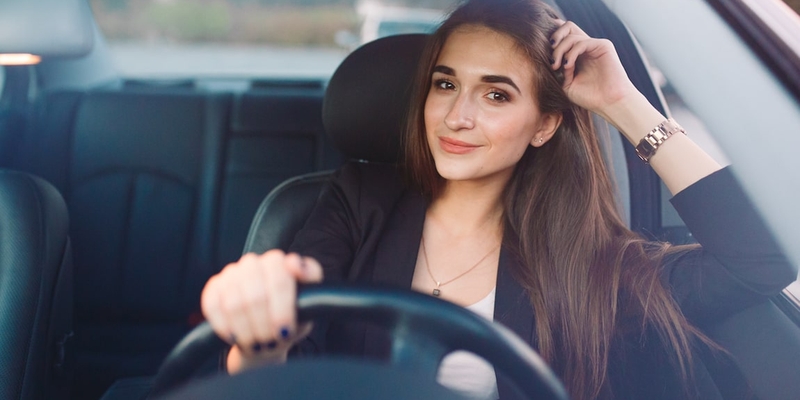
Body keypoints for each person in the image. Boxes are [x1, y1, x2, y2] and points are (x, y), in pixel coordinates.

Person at [200, 0, 796, 399]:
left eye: (496, 95)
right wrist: (257, 336)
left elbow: (765, 259)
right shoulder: (359, 200)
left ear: (543, 126)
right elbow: (278, 372)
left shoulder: (588, 262)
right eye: (445, 84)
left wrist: (623, 104)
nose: (457, 116)